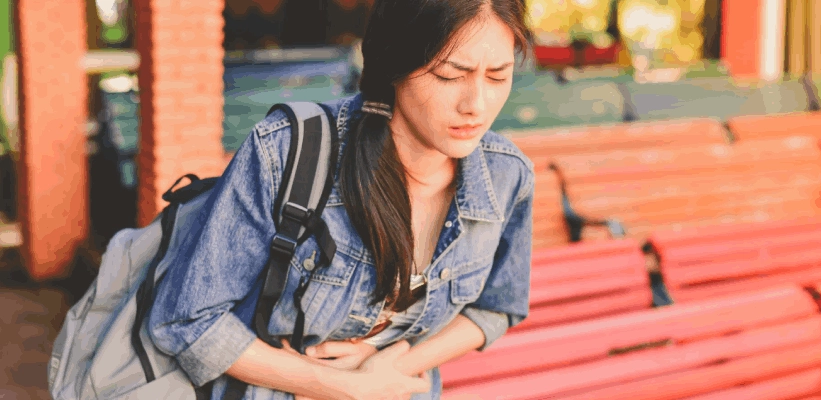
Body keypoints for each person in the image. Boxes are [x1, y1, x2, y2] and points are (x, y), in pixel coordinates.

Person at [147, 0, 534, 399]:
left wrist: (391, 365)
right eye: (450, 75)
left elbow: (497, 306)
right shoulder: (287, 153)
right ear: (393, 64)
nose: (477, 105)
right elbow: (184, 321)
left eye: (497, 77)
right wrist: (338, 386)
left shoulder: (506, 177)